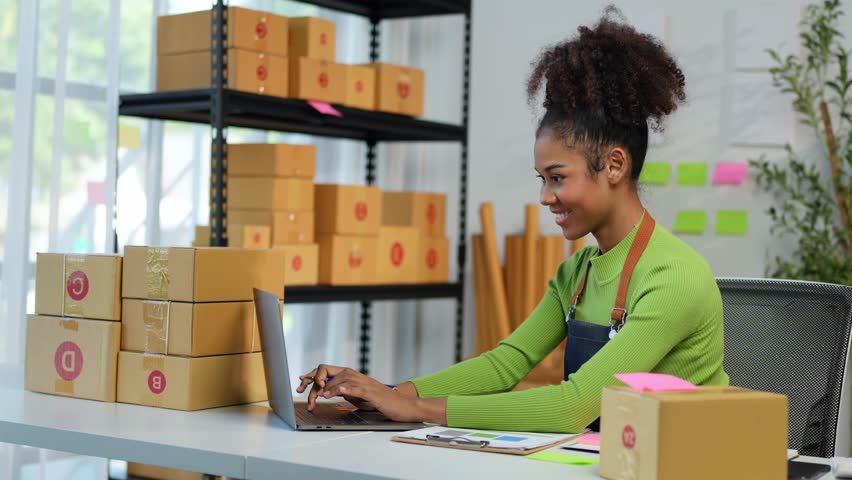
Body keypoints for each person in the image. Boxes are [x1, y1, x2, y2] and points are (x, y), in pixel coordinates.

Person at [297, 7, 729, 433]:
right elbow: (505, 365)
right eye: (542, 179)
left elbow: (571, 408)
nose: (545, 197)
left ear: (614, 165)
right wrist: (384, 392)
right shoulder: (576, 275)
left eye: (558, 178)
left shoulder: (674, 277)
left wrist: (417, 409)